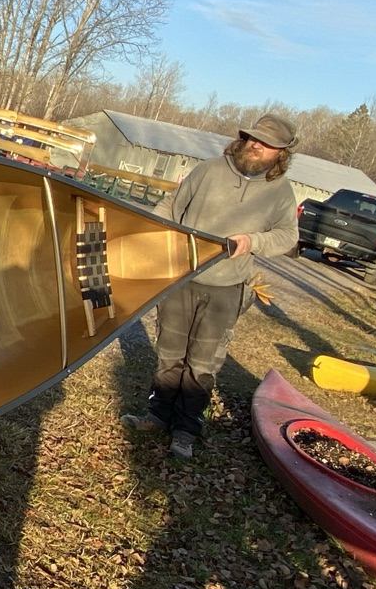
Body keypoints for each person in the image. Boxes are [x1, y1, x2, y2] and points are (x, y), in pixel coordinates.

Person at [125, 113, 300, 458]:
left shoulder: (281, 192)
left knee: (202, 363)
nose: (255, 145)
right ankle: (157, 416)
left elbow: (288, 236)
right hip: (182, 278)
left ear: (280, 153)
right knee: (169, 352)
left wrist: (252, 241)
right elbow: (170, 207)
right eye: (252, 138)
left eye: (266, 144)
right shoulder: (208, 170)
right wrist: (156, 238)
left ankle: (186, 430)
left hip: (227, 287)